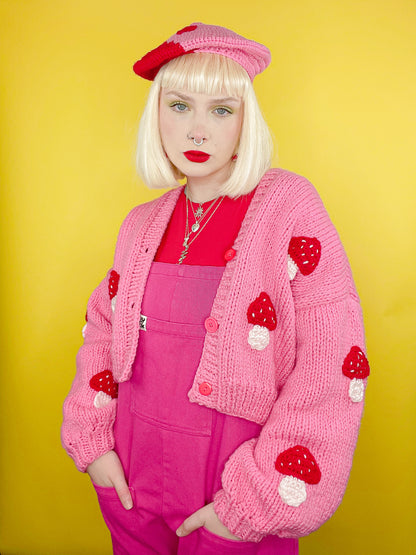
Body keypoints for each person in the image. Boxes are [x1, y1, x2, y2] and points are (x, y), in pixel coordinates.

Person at [61, 23, 369, 555]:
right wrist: (93, 445)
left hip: (234, 489)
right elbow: (102, 335)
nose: (197, 131)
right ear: (155, 114)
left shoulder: (288, 209)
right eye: (179, 106)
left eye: (221, 110)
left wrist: (257, 501)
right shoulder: (140, 225)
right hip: (133, 484)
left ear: (246, 120)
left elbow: (332, 363)